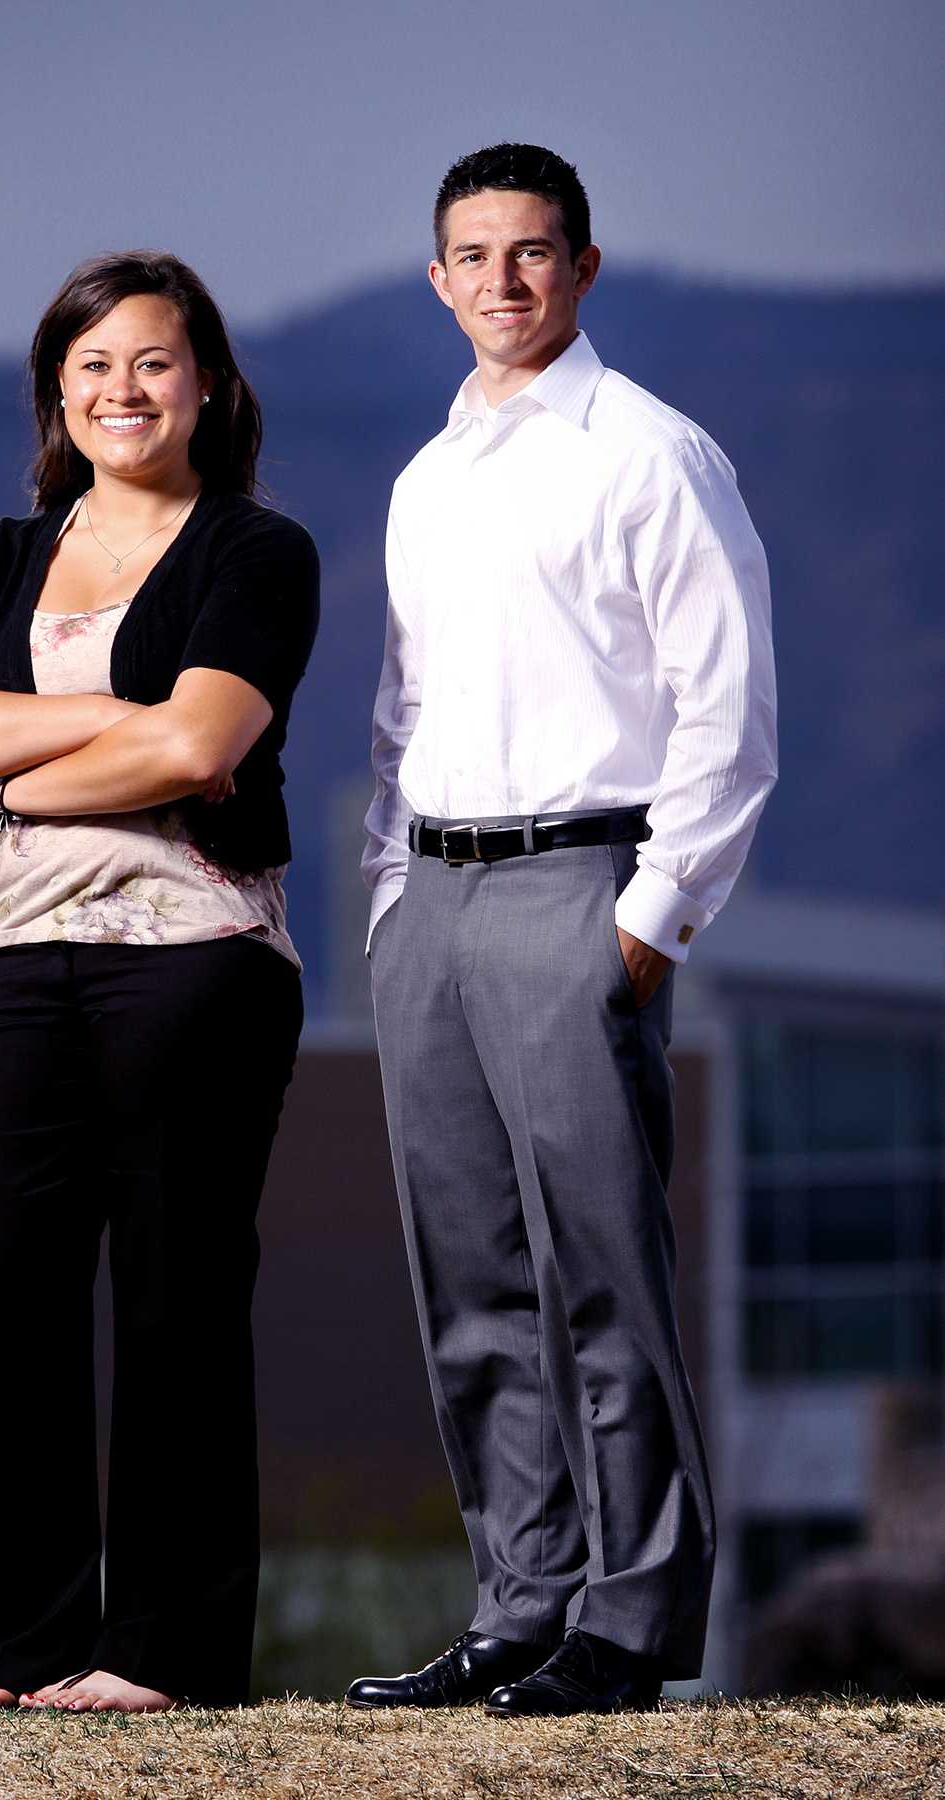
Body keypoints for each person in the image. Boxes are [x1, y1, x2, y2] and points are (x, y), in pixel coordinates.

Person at [352, 144, 777, 1717]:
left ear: (581, 269)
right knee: (464, 1273)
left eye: (534, 253)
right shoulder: (423, 477)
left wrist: (646, 927)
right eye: (474, 254)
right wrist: (393, 894)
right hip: (433, 903)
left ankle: (628, 1617)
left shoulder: (650, 456)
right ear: (437, 277)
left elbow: (724, 714)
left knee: (599, 1271)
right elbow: (401, 717)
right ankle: (519, 1600)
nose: (504, 282)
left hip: (576, 889)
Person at [0, 251, 319, 1714]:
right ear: (56, 394)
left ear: (206, 385)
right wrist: (114, 718)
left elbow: (198, 753)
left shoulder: (256, 553)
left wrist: (8, 753)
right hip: (10, 959)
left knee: (175, 1294)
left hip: (195, 958)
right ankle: (18, 1646)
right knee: (0, 1290)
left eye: (151, 361)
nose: (121, 390)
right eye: (92, 366)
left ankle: (165, 1655)